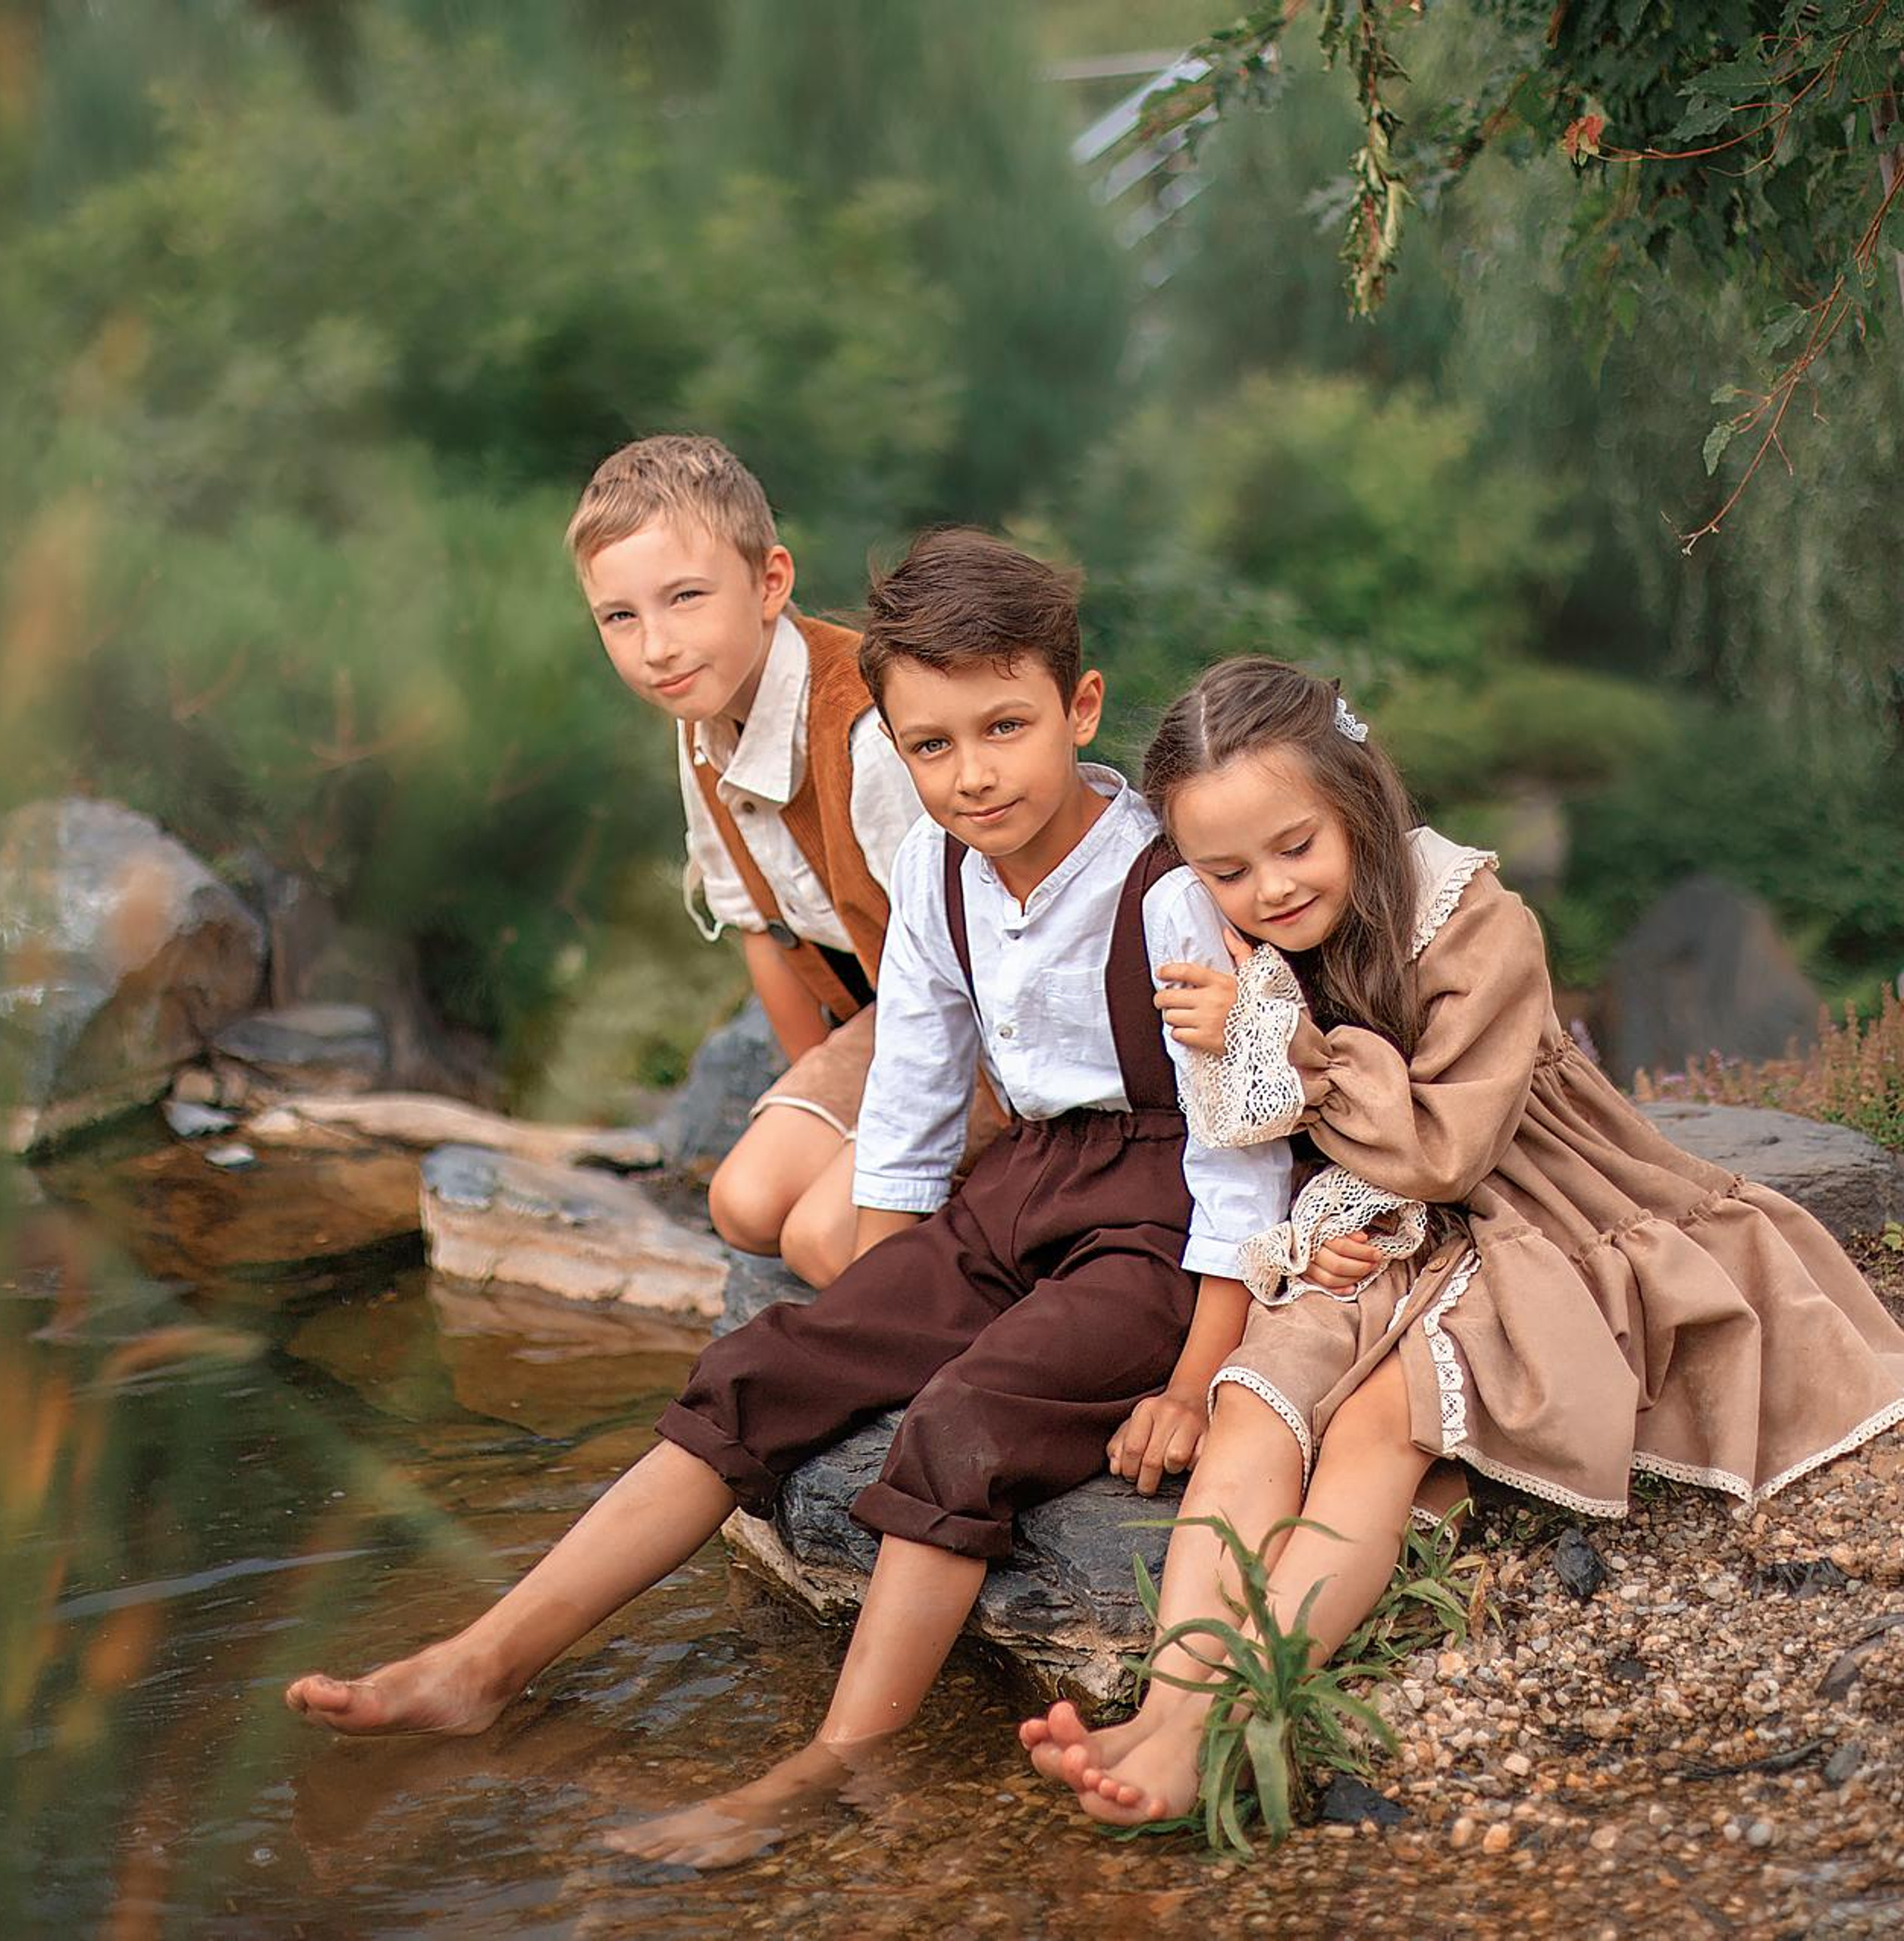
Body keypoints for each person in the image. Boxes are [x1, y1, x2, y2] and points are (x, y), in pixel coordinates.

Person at [284, 534, 1294, 1869]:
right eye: (931, 747)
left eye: (1006, 728)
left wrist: (1199, 1375)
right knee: (769, 1360)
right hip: (1027, 1184)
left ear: (1081, 708)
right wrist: (883, 1299)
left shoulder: (1164, 889)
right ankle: (486, 1659)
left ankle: (832, 1762)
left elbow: (1240, 1152)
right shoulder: (942, 872)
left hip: (1159, 1213)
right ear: (894, 743)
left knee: (964, 1422)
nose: (973, 774)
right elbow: (919, 1088)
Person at [1022, 654, 1904, 1829]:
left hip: (1525, 1203)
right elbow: (1265, 1142)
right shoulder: (1227, 938)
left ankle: (1224, 1724)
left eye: (1295, 846)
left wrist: (1287, 1049)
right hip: (1371, 1227)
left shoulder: (1472, 915)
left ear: (1355, 798)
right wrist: (1314, 1228)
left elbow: (1449, 1151)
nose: (1268, 889)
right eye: (1228, 869)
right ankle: (1164, 1701)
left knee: (1373, 1429)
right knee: (1255, 1405)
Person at [571, 432, 924, 1287]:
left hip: (971, 1016)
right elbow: (763, 927)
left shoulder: (866, 732)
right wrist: (826, 1096)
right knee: (746, 1204)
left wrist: (888, 1138)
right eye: (621, 617)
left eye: (685, 598)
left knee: (822, 1239)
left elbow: (967, 958)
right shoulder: (702, 728)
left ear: (770, 583)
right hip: (880, 1023)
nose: (654, 646)